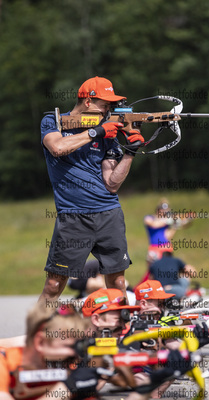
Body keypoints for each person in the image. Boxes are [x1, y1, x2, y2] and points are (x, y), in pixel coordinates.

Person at [39, 76, 144, 303]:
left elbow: (112, 183)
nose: (108, 109)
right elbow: (57, 147)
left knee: (117, 283)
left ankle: (119, 334)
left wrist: (131, 152)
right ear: (88, 101)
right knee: (54, 283)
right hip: (73, 215)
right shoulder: (53, 121)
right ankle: (36, 335)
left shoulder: (107, 133)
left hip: (109, 213)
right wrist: (96, 132)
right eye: (105, 104)